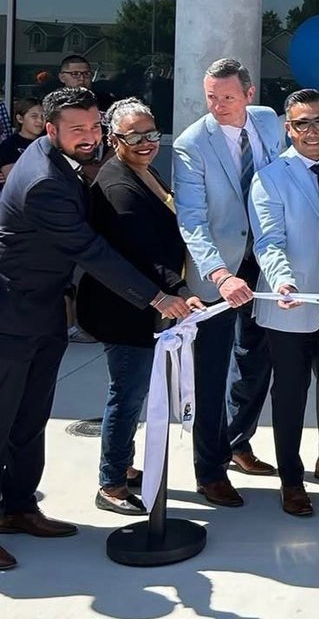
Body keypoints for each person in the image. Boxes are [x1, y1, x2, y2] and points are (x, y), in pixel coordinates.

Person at [0, 88, 191, 572]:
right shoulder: (43, 180)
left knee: (29, 419)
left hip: (43, 312)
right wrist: (157, 297)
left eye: (92, 128)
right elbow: (91, 250)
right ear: (50, 130)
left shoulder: (62, 161)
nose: (89, 139)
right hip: (11, 317)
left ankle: (19, 508)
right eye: (76, 130)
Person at [77, 98, 204, 516]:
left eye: (152, 133)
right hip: (124, 310)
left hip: (146, 308)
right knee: (127, 396)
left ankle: (122, 465)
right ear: (115, 140)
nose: (148, 142)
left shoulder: (143, 171)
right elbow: (144, 253)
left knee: (137, 392)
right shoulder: (117, 186)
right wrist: (180, 290)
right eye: (136, 136)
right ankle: (111, 484)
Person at [173, 57, 286, 506]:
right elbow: (193, 220)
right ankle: (210, 469)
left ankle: (238, 442)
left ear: (249, 94)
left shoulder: (266, 123)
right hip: (219, 268)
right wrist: (217, 273)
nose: (218, 105)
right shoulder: (191, 144)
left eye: (228, 97)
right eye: (211, 97)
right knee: (211, 370)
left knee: (257, 358)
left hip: (266, 259)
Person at [249, 89, 319, 517]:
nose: (312, 132)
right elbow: (269, 240)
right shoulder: (271, 177)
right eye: (301, 124)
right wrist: (283, 282)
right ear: (288, 129)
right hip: (290, 303)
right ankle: (291, 481)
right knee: (291, 395)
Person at [0, 100, 45, 184]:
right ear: (20, 119)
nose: (40, 120)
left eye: (43, 116)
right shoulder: (9, 145)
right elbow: (13, 179)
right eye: (34, 116)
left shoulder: (48, 143)